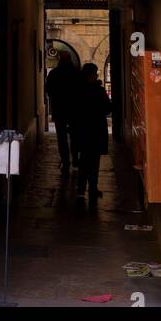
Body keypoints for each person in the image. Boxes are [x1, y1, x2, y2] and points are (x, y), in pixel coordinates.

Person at [73, 62, 111, 209]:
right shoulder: (99, 91)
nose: (96, 76)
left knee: (84, 161)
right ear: (90, 75)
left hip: (83, 131)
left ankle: (81, 191)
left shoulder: (77, 90)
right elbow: (107, 108)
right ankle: (92, 188)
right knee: (94, 162)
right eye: (94, 74)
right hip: (95, 131)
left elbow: (74, 110)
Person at [45, 50, 80, 172]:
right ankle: (75, 158)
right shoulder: (76, 74)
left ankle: (65, 161)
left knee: (62, 138)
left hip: (59, 110)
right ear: (70, 60)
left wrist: (56, 99)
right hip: (74, 110)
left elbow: (48, 89)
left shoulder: (54, 73)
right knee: (75, 136)